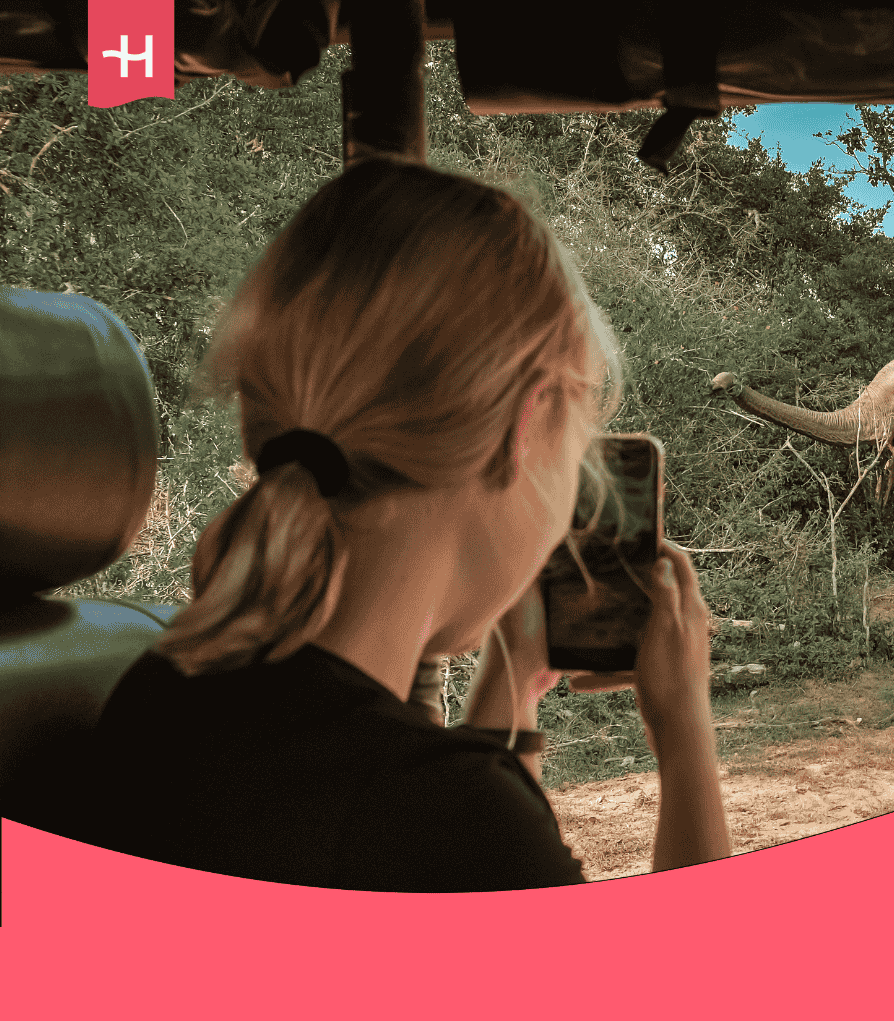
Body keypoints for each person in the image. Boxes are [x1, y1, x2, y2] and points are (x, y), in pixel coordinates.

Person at [81, 159, 730, 891]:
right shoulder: (443, 816)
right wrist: (685, 736)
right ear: (528, 424)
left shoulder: (163, 693)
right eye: (577, 443)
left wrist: (510, 692)